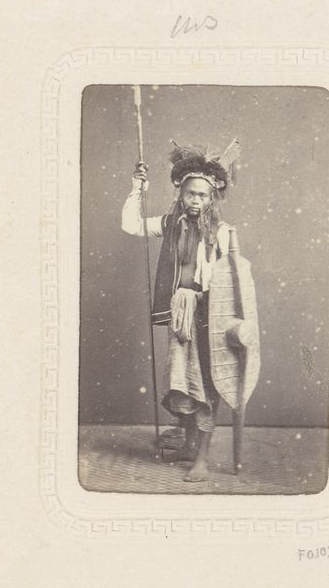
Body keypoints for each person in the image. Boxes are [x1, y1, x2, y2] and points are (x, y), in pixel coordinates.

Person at [121, 143, 239, 482]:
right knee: (184, 383)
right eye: (190, 194)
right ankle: (188, 446)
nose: (196, 201)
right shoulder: (170, 224)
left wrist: (201, 298)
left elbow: (232, 281)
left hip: (210, 320)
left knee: (206, 387)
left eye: (202, 195)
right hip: (181, 319)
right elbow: (131, 225)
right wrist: (137, 188)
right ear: (181, 194)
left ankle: (202, 458)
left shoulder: (223, 233)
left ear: (212, 198)